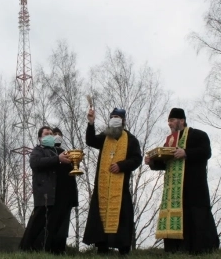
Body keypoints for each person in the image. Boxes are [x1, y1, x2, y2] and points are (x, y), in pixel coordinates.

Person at [145, 108, 219, 255]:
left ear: (182, 120)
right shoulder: (170, 140)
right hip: (174, 189)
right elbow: (166, 163)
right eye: (168, 121)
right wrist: (152, 162)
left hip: (194, 185)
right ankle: (176, 248)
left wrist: (186, 152)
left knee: (196, 215)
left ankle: (201, 248)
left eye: (172, 120)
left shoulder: (198, 135)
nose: (169, 124)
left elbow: (206, 152)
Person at [82, 108, 142, 255]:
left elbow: (136, 159)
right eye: (112, 116)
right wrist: (91, 122)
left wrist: (121, 165)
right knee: (101, 216)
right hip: (103, 186)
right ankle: (102, 247)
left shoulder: (131, 139)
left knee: (123, 216)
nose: (114, 119)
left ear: (123, 120)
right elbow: (90, 141)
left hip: (120, 187)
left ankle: (123, 248)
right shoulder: (105, 137)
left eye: (117, 117)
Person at [19, 126, 78, 255]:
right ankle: (26, 247)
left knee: (48, 224)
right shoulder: (38, 150)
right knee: (37, 221)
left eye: (51, 133)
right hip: (43, 192)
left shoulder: (57, 152)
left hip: (54, 194)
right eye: (47, 134)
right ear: (40, 137)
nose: (51, 136)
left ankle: (41, 248)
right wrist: (58, 159)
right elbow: (35, 163)